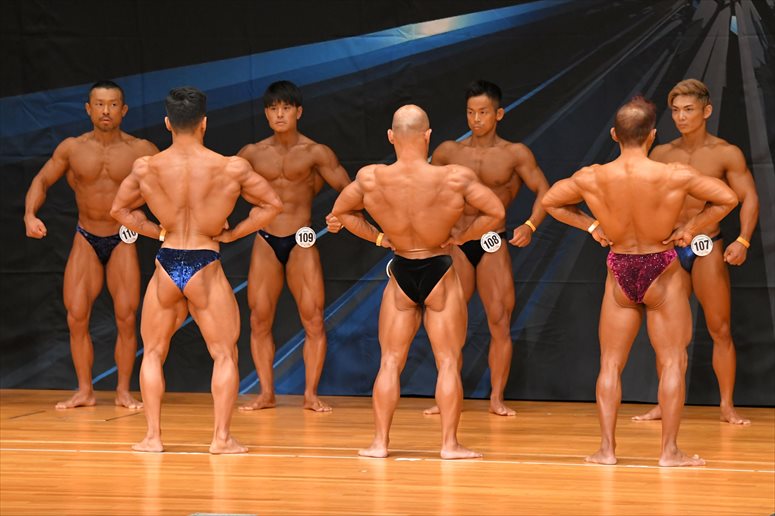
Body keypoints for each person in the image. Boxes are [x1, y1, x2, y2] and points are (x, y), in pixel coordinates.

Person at [542, 96, 737, 467]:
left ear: (614, 135)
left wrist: (591, 226)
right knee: (672, 361)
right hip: (661, 268)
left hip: (619, 269)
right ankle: (669, 452)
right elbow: (727, 198)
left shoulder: (591, 176)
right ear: (652, 135)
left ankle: (606, 450)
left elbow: (551, 201)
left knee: (610, 364)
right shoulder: (674, 174)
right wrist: (691, 227)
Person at [110, 86, 282, 453]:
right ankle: (221, 439)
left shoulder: (147, 167)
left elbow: (119, 210)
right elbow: (272, 205)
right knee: (224, 354)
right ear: (204, 123)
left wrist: (158, 232)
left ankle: (153, 437)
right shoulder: (230, 167)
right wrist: (233, 233)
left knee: (153, 353)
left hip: (167, 262)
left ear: (167, 123)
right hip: (205, 261)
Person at [331, 105, 505, 459]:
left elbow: (341, 213)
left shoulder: (370, 178)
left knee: (390, 361)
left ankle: (380, 443)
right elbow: (497, 212)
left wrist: (380, 238)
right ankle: (449, 445)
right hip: (439, 266)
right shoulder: (454, 177)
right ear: (428, 136)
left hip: (401, 269)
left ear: (391, 137)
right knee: (448, 361)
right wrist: (462, 237)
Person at [24, 80, 159, 410]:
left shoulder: (141, 149)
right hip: (86, 235)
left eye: (112, 105)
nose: (105, 111)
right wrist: (29, 214)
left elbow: (173, 182)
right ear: (88, 109)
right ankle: (85, 390)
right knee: (76, 316)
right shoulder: (73, 148)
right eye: (99, 104)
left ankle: (123, 391)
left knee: (126, 317)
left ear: (123, 110)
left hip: (123, 236)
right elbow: (42, 179)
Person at [633, 79, 759, 425]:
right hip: (669, 248)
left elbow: (748, 197)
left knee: (720, 328)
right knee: (667, 335)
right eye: (675, 110)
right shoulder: (661, 153)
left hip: (706, 247)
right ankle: (664, 404)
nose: (681, 117)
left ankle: (726, 406)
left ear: (706, 111)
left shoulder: (725, 153)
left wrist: (743, 240)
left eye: (688, 110)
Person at [425, 79, 550, 416]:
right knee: (450, 323)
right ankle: (447, 396)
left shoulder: (514, 154)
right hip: (456, 242)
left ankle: (496, 398)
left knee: (499, 320)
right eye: (470, 112)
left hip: (491, 242)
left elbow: (544, 190)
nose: (476, 119)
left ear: (499, 114)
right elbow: (422, 188)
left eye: (482, 112)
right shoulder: (448, 152)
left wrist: (530, 225)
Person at [237, 80, 353, 412]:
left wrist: (340, 216)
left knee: (313, 319)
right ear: (266, 113)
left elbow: (350, 190)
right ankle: (266, 394)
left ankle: (310, 395)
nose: (279, 114)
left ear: (298, 112)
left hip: (301, 240)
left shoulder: (315, 152)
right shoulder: (251, 153)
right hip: (266, 238)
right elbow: (221, 187)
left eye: (286, 108)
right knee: (259, 320)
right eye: (273, 108)